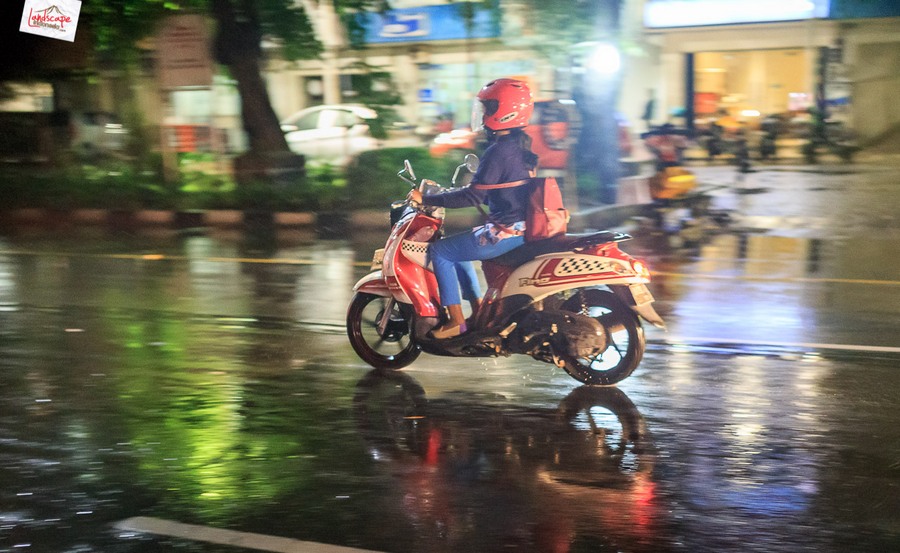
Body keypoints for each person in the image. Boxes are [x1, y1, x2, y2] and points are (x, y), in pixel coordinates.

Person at [408, 78, 536, 339]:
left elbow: (472, 197)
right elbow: (502, 193)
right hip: (519, 228)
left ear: (504, 111)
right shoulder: (520, 147)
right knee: (458, 249)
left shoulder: (498, 151)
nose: (484, 113)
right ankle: (478, 312)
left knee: (441, 251)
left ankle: (456, 321)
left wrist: (427, 199)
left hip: (505, 233)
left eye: (489, 107)